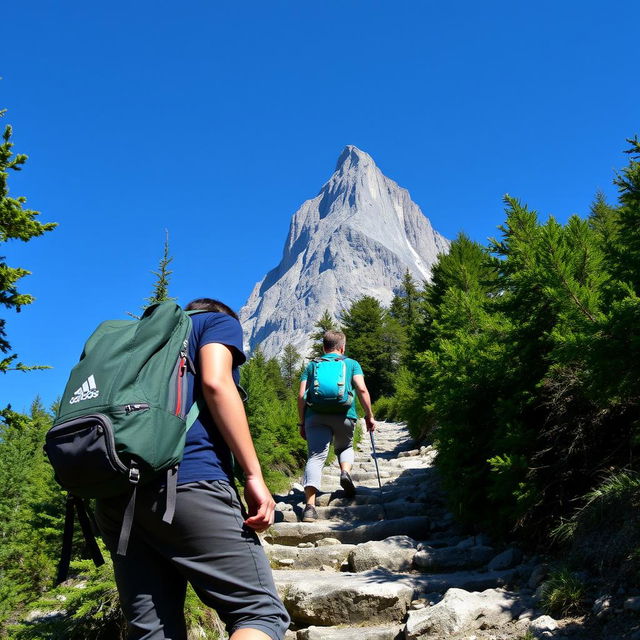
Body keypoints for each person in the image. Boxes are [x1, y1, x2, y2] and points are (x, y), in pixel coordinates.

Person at [96, 298, 290, 640]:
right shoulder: (214, 323)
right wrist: (253, 475)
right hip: (189, 480)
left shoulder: (136, 340)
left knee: (152, 630)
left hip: (115, 496)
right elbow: (216, 382)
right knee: (258, 613)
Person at [297, 330, 376, 522]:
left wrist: (302, 422)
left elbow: (301, 396)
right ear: (342, 347)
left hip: (315, 416)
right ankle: (345, 472)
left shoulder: (312, 366)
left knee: (316, 456)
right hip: (344, 415)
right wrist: (369, 416)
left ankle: (309, 507)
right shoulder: (351, 363)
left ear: (324, 348)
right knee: (345, 446)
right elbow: (362, 389)